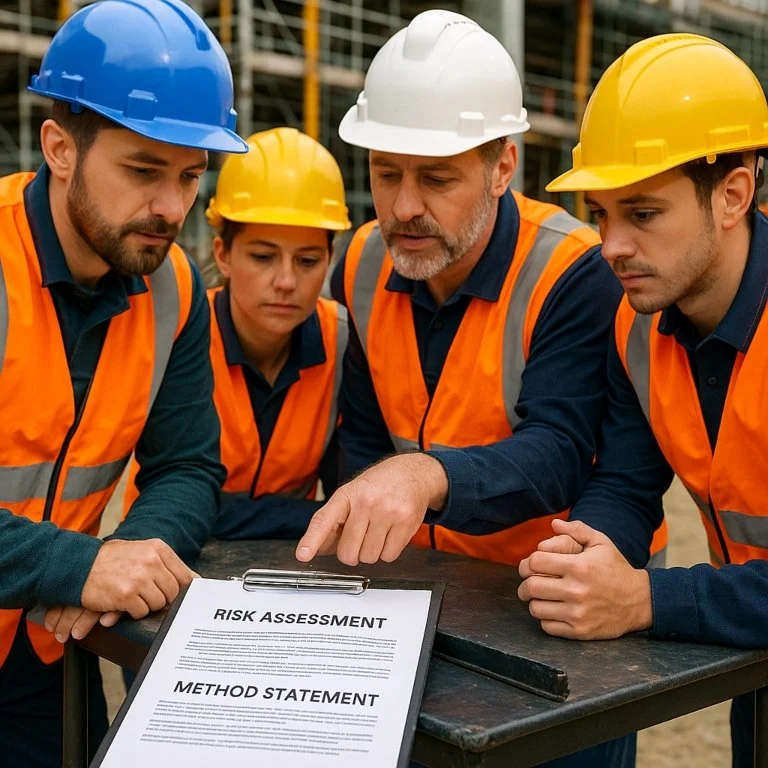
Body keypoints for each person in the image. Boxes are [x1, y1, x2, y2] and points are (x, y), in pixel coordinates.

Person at [296, 10, 653, 766]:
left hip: (546, 621)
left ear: (502, 166)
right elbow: (363, 436)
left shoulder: (574, 271)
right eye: (385, 173)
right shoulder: (362, 262)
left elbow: (561, 449)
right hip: (405, 607)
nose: (403, 207)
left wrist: (428, 474)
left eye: (436, 177)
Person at [0, 0, 248, 763]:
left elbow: (186, 466)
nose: (172, 208)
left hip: (42, 645)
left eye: (190, 177)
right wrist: (80, 565)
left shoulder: (171, 286)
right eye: (143, 171)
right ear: (60, 147)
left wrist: (136, 553)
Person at [517, 33, 768, 767]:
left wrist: (647, 601)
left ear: (732, 195)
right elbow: (628, 481)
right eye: (599, 214)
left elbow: (653, 599)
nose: (611, 246)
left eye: (643, 213)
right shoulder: (638, 326)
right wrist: (584, 555)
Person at [124, 127, 350, 538]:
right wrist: (307, 517)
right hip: (164, 554)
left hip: (291, 576)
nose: (285, 280)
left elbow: (350, 501)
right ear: (222, 254)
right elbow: (170, 495)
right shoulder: (175, 334)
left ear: (330, 259)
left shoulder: (344, 341)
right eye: (263, 257)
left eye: (308, 260)